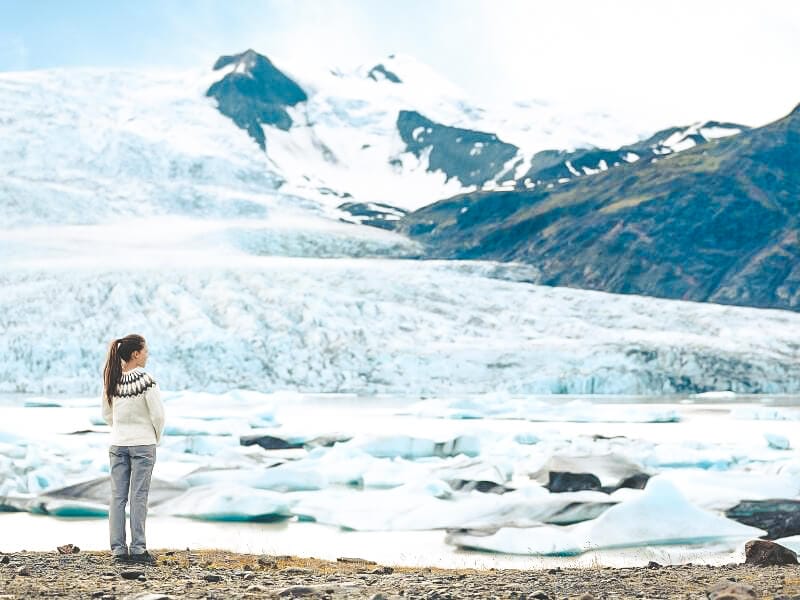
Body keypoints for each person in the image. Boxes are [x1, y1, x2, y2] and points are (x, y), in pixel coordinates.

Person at [101, 334, 165, 565]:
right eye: (145, 350)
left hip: (118, 443)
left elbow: (107, 414)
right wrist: (153, 437)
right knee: (138, 497)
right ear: (135, 354)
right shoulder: (146, 380)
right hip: (143, 444)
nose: (147, 354)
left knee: (117, 497)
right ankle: (138, 550)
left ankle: (118, 551)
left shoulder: (112, 379)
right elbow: (158, 415)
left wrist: (121, 431)